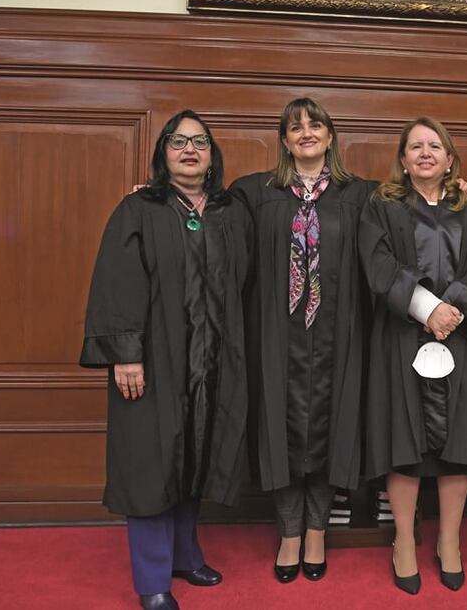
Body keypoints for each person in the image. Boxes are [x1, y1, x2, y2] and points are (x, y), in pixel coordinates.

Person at [80, 110, 252, 610]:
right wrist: (126, 354)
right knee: (152, 461)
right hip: (156, 360)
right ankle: (153, 579)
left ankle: (184, 554)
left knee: (194, 454)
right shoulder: (139, 209)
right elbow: (118, 284)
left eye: (199, 142)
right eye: (178, 141)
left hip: (213, 358)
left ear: (212, 155)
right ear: (163, 153)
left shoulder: (231, 211)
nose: (189, 149)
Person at [231, 98, 376, 584]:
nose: (306, 133)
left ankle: (317, 529)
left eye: (315, 125)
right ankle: (289, 531)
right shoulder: (254, 193)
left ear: (331, 136)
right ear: (285, 140)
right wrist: (157, 195)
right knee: (282, 431)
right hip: (277, 336)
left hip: (340, 335)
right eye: (295, 128)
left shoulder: (364, 195)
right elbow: (205, 224)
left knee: (331, 431)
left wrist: (460, 191)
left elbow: (421, 209)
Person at [360, 117, 467, 595]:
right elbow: (377, 264)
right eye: (415, 146)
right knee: (403, 442)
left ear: (449, 158)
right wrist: (426, 308)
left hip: (459, 340)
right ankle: (403, 541)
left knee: (456, 445)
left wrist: (452, 311)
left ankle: (449, 542)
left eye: (434, 145)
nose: (425, 153)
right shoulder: (382, 207)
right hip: (401, 337)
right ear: (402, 159)